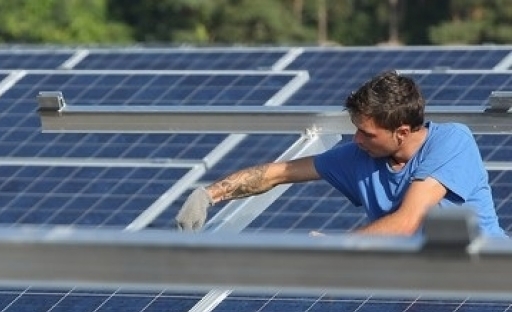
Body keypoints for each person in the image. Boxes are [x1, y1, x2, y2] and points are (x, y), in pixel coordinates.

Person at [175, 70, 507, 237]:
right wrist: (209, 195)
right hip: (425, 294)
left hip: (488, 279)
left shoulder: (451, 142)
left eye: (367, 132)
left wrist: (338, 249)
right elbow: (278, 173)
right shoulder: (359, 156)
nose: (356, 139)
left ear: (402, 132)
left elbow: (408, 221)